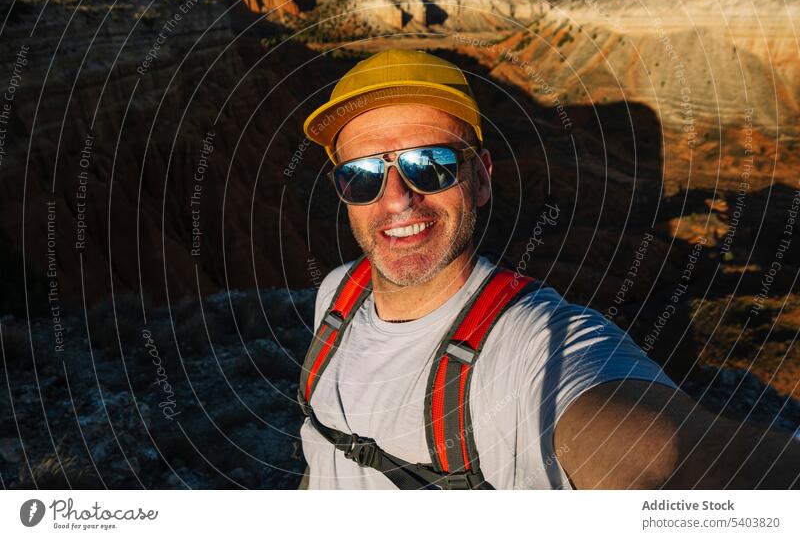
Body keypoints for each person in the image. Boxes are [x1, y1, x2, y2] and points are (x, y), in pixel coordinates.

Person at [296, 49, 799, 490]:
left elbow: (670, 457)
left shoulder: (534, 346)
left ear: (481, 178)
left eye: (430, 164)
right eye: (361, 175)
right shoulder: (339, 294)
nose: (398, 198)